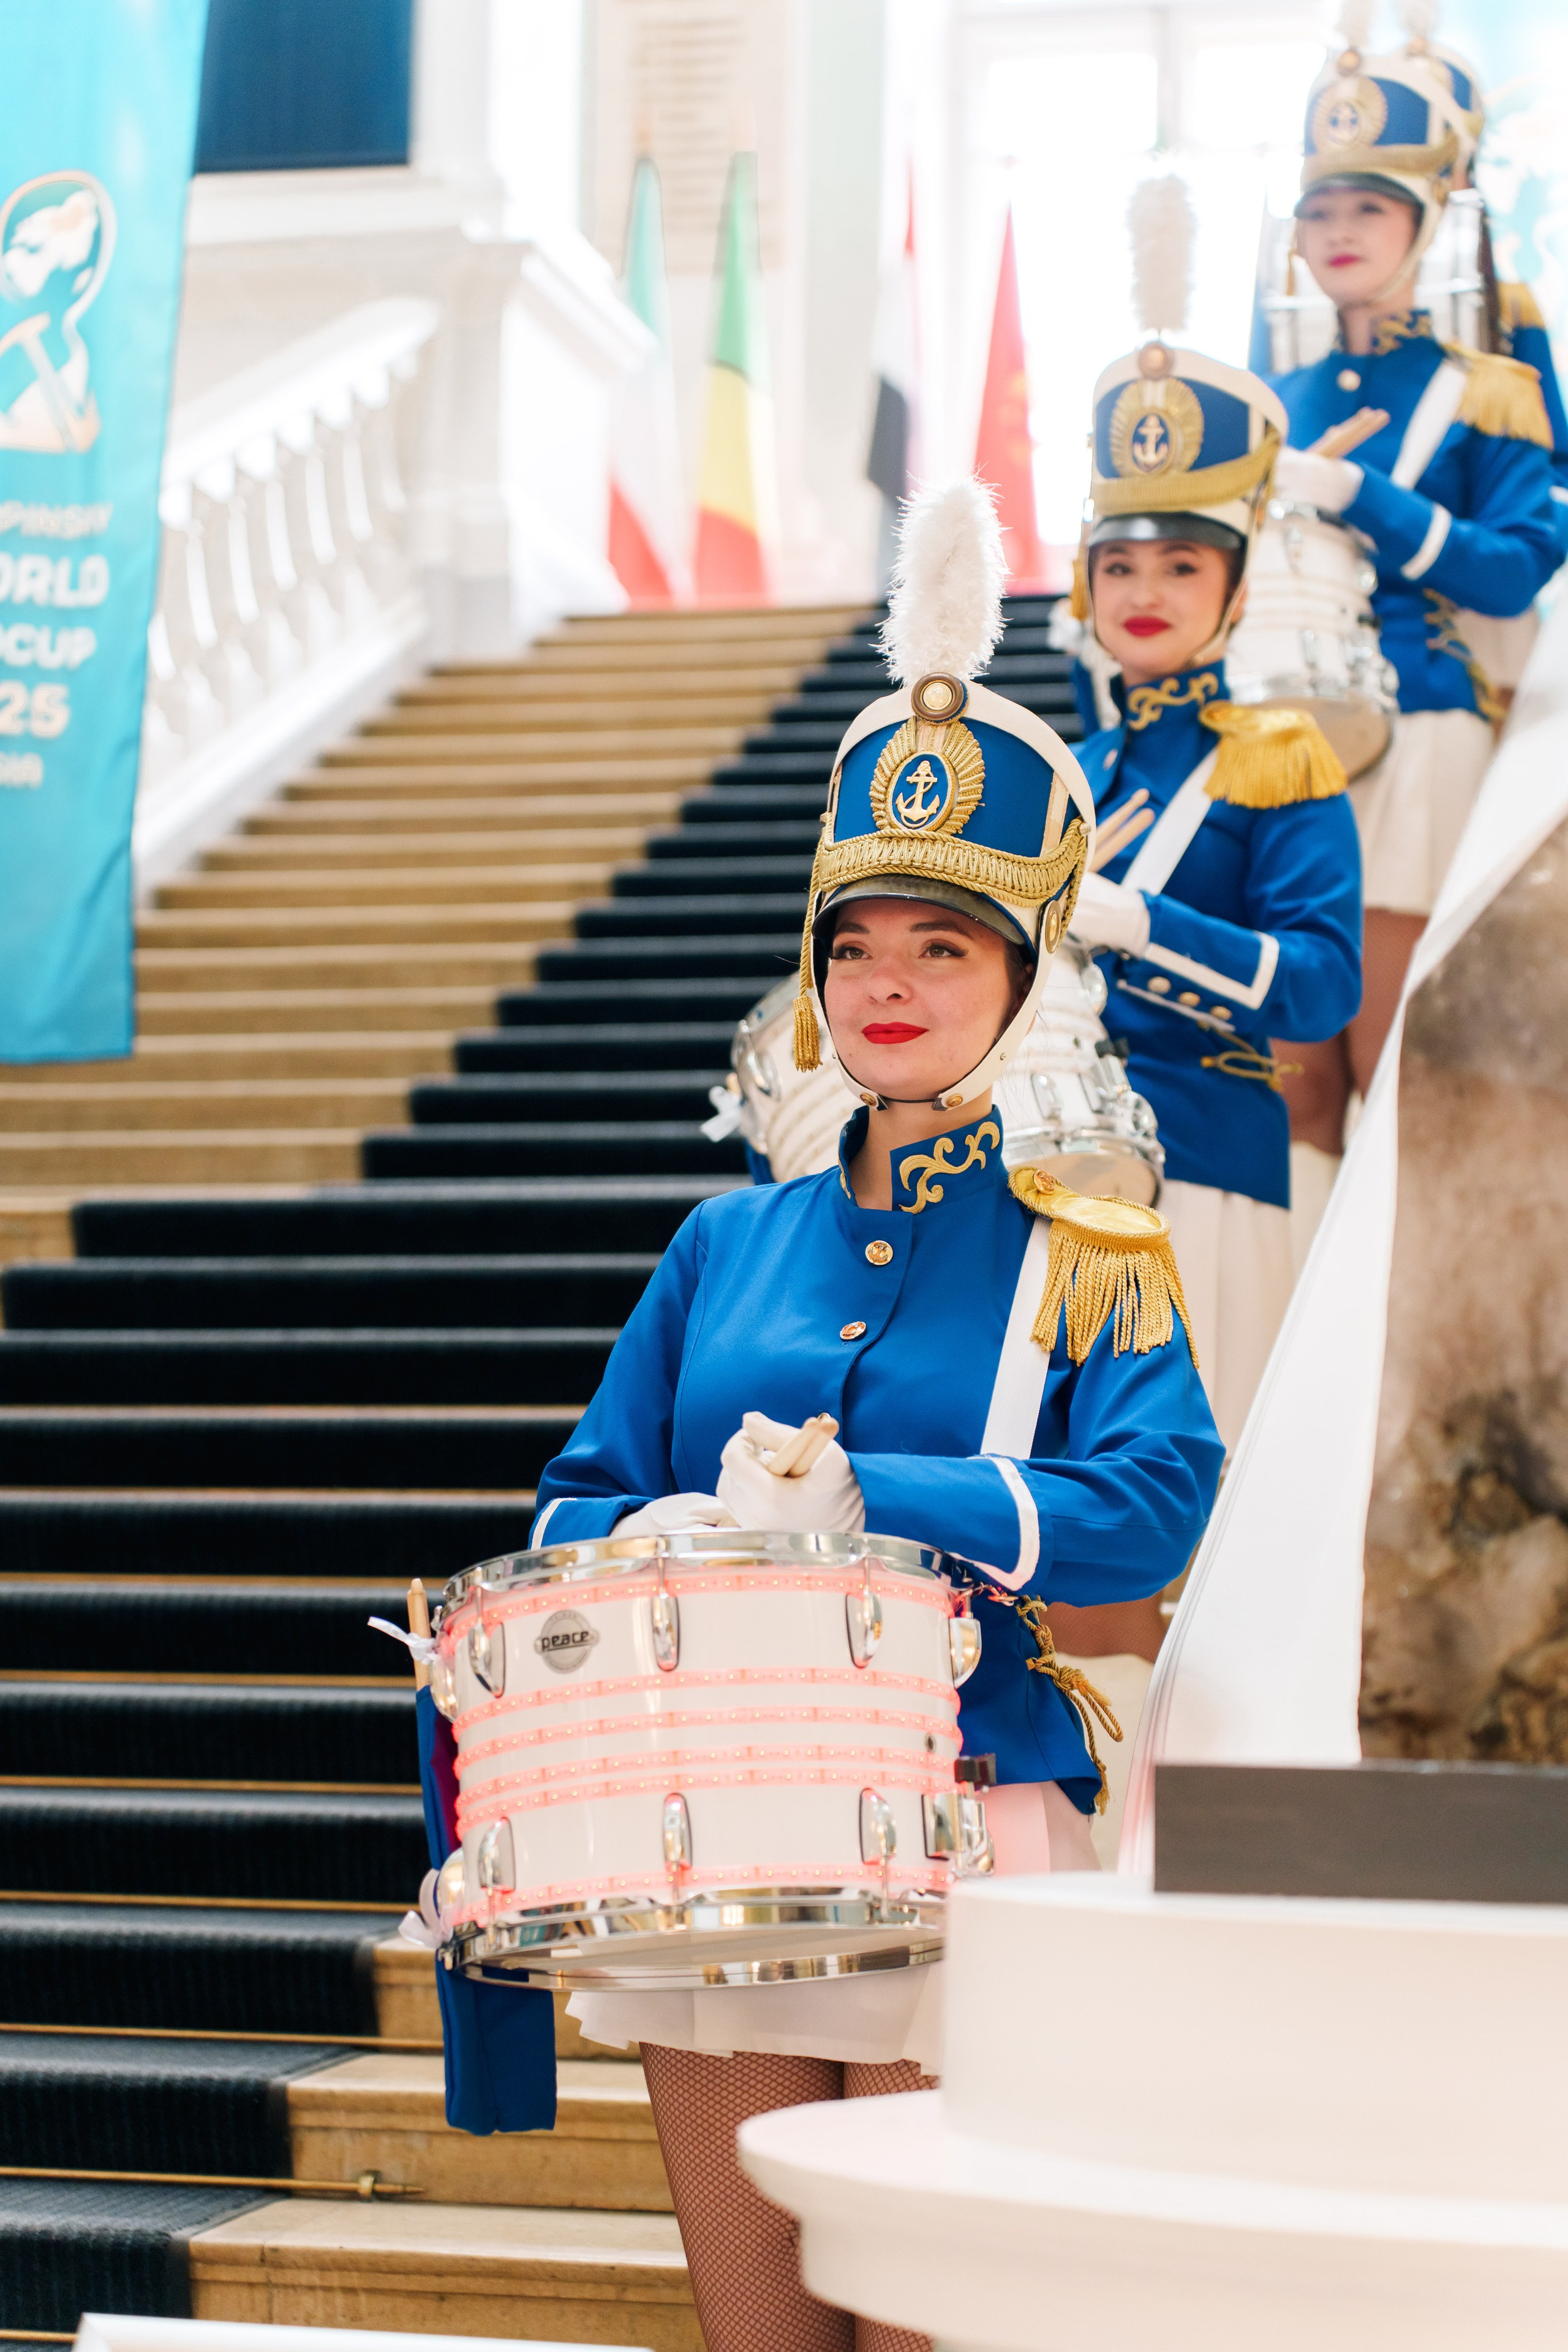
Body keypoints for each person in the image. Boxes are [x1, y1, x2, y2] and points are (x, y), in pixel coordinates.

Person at [525, 480, 1224, 2352]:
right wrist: (656, 1538)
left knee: (933, 2331)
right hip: (717, 1847)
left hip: (962, 1831)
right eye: (857, 946)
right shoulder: (724, 1237)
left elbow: (1158, 1495)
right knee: (762, 2334)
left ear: (1019, 976)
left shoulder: (1095, 1242)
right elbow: (581, 1492)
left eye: (942, 949)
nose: (888, 986)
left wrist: (876, 1499)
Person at [1063, 330, 1363, 1457]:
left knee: (1200, 1500)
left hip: (1208, 1160)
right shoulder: (1067, 775)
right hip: (1052, 1168)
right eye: (1121, 564)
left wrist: (1137, 921)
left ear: (1237, 594)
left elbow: (1325, 988)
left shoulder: (1280, 755)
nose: (1146, 592)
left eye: (1183, 566)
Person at [1267, 37, 1559, 1175]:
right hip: (1278, 755)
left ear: (1430, 218)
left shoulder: (1491, 388)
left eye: (1370, 207)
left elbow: (1512, 567)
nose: (1340, 230)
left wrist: (1360, 493)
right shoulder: (1268, 402)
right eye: (1319, 209)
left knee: (1395, 1077)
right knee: (1293, 1095)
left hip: (1422, 733)